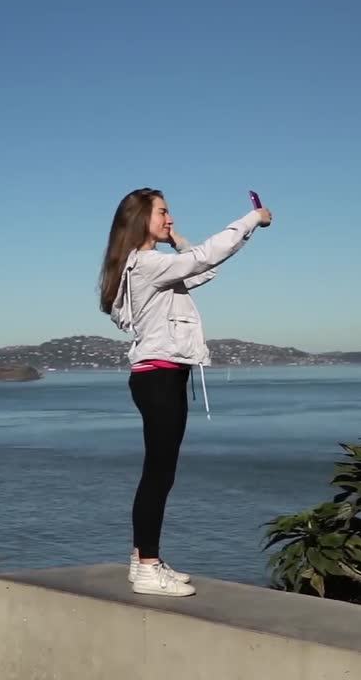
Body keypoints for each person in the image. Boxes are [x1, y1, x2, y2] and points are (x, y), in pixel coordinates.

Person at [98, 187, 272, 597]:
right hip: (158, 376)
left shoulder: (146, 264)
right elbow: (208, 256)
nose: (169, 218)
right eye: (163, 212)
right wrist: (251, 221)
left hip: (162, 375)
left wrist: (177, 240)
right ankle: (147, 566)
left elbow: (202, 271)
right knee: (158, 474)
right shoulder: (144, 264)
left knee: (160, 472)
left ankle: (144, 557)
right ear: (141, 218)